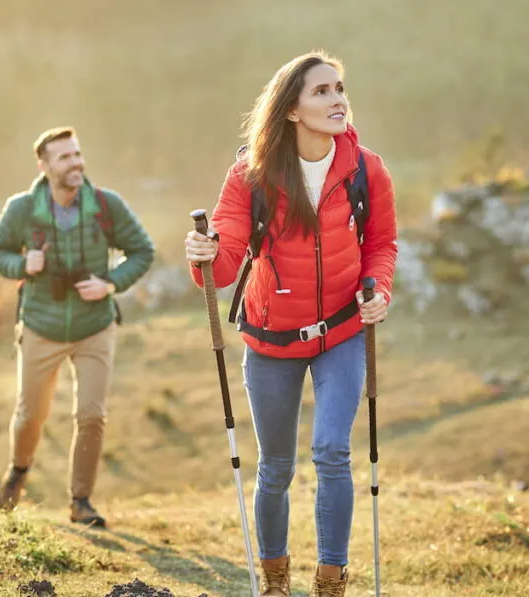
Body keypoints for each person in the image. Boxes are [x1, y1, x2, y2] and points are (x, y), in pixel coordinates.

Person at [185, 51, 398, 597]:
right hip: (272, 340)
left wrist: (379, 290)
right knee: (276, 468)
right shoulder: (250, 176)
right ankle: (275, 580)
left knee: (331, 451)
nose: (338, 100)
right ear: (291, 110)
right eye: (321, 92)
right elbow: (227, 262)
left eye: (340, 88)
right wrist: (204, 254)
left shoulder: (366, 169)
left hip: (342, 334)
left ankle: (331, 580)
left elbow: (380, 244)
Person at [0, 126, 154, 526]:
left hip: (95, 327)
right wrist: (22, 265)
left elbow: (142, 250)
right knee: (30, 415)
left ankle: (81, 501)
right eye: (65, 157)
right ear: (44, 166)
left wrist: (110, 283)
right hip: (40, 326)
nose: (76, 162)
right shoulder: (22, 209)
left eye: (77, 154)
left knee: (91, 415)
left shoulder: (106, 206)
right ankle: (19, 471)